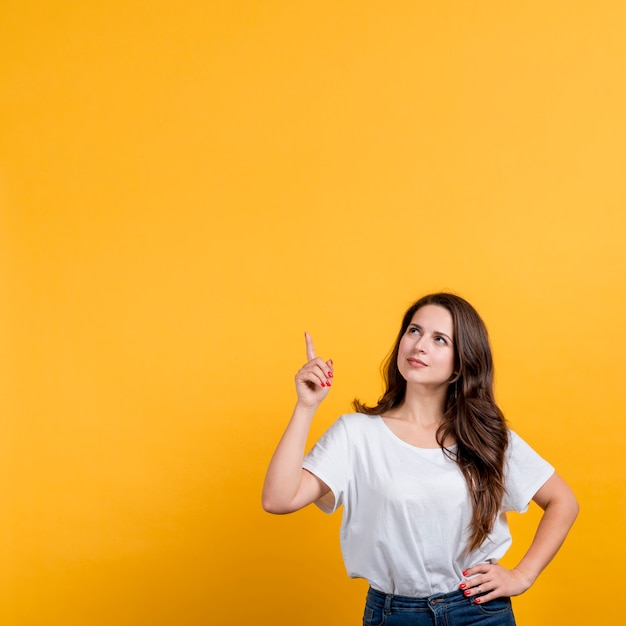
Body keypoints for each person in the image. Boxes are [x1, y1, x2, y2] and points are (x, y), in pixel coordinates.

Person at [262, 293, 578, 626]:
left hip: (479, 612)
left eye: (439, 339)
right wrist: (306, 406)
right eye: (414, 331)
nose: (420, 345)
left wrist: (522, 575)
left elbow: (563, 501)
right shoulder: (356, 434)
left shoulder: (486, 438)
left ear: (460, 362)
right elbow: (279, 499)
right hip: (394, 615)